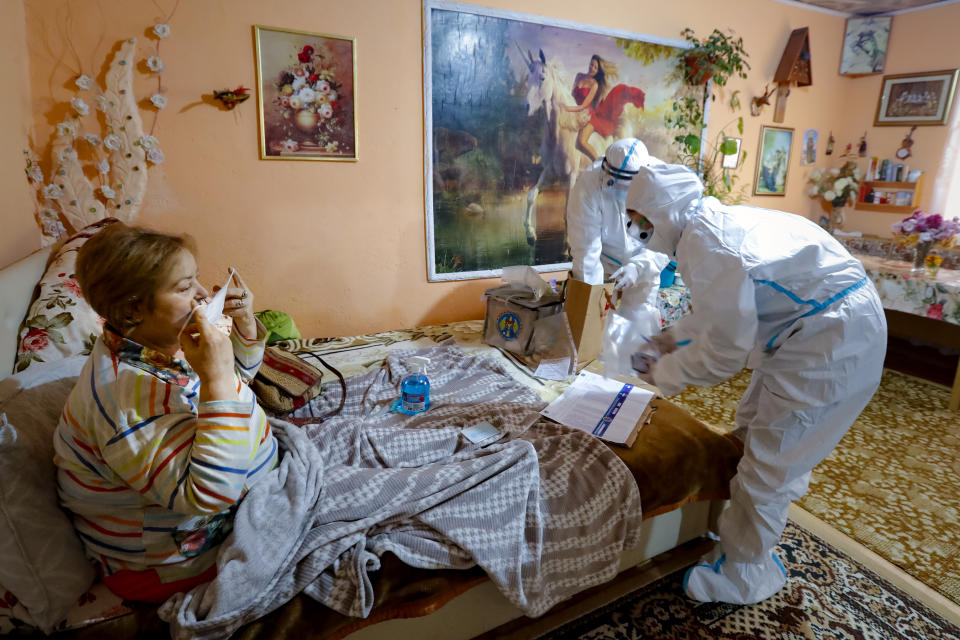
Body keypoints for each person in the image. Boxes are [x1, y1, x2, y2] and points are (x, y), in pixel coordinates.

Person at [624, 162, 887, 605]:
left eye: (642, 225)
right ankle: (744, 516)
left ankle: (746, 573)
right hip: (813, 329)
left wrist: (661, 374)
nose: (638, 233)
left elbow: (722, 354)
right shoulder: (710, 226)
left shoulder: (709, 246)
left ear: (663, 216)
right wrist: (665, 341)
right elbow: (718, 314)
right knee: (752, 429)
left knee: (769, 462)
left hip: (832, 341)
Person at [53, 222, 278, 603]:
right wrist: (217, 376)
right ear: (134, 308)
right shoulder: (125, 397)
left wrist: (241, 327)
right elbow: (209, 493)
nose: (204, 294)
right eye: (184, 286)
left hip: (234, 506)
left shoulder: (156, 345)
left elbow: (236, 383)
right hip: (174, 564)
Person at [566, 138, 667, 329]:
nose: (621, 189)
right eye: (616, 181)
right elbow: (586, 248)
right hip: (604, 265)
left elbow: (666, 239)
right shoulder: (588, 185)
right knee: (597, 325)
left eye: (628, 184)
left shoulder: (661, 184)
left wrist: (638, 267)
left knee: (637, 329)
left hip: (645, 263)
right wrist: (592, 300)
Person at [563, 55, 646, 162]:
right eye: (591, 65)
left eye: (595, 67)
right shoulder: (579, 76)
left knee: (581, 142)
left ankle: (599, 165)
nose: (592, 68)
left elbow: (583, 105)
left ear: (598, 71)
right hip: (574, 111)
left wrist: (567, 108)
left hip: (587, 115)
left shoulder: (595, 84)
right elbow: (572, 95)